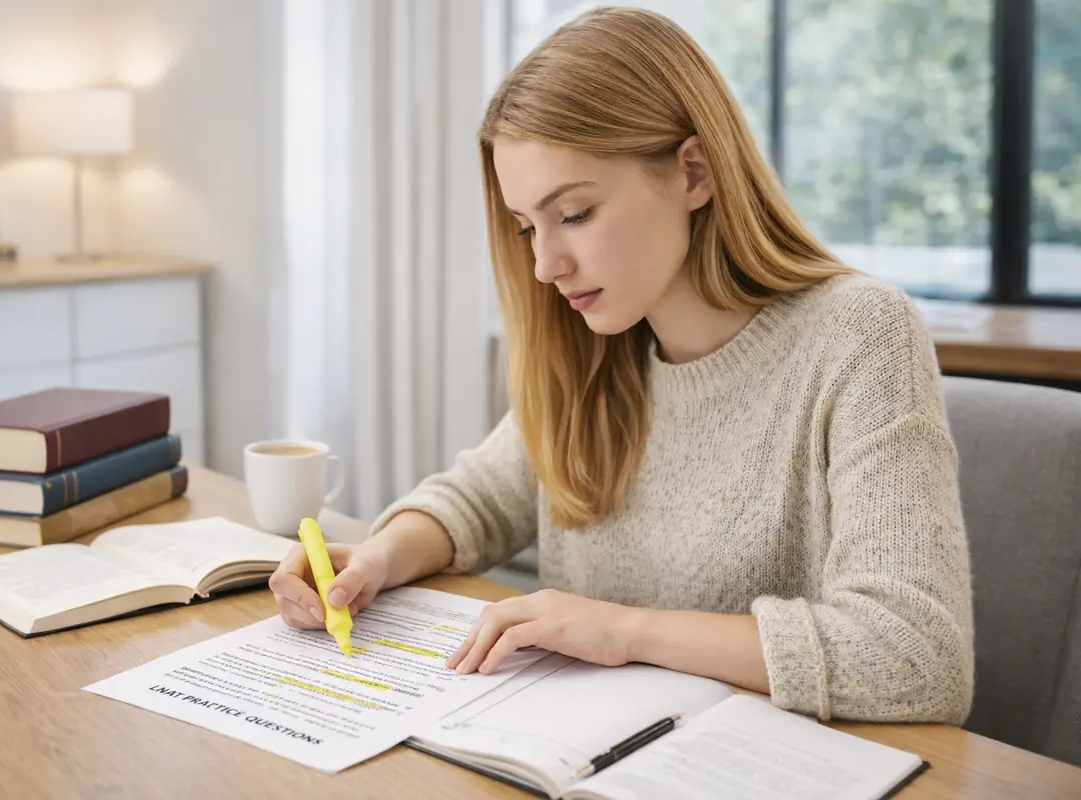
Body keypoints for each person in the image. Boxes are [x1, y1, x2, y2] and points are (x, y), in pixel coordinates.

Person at [269, 5, 974, 725]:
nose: (545, 264)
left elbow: (916, 656)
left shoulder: (860, 334)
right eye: (526, 228)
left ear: (693, 171)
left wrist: (622, 630)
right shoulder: (600, 347)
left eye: (573, 215)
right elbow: (479, 498)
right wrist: (377, 559)